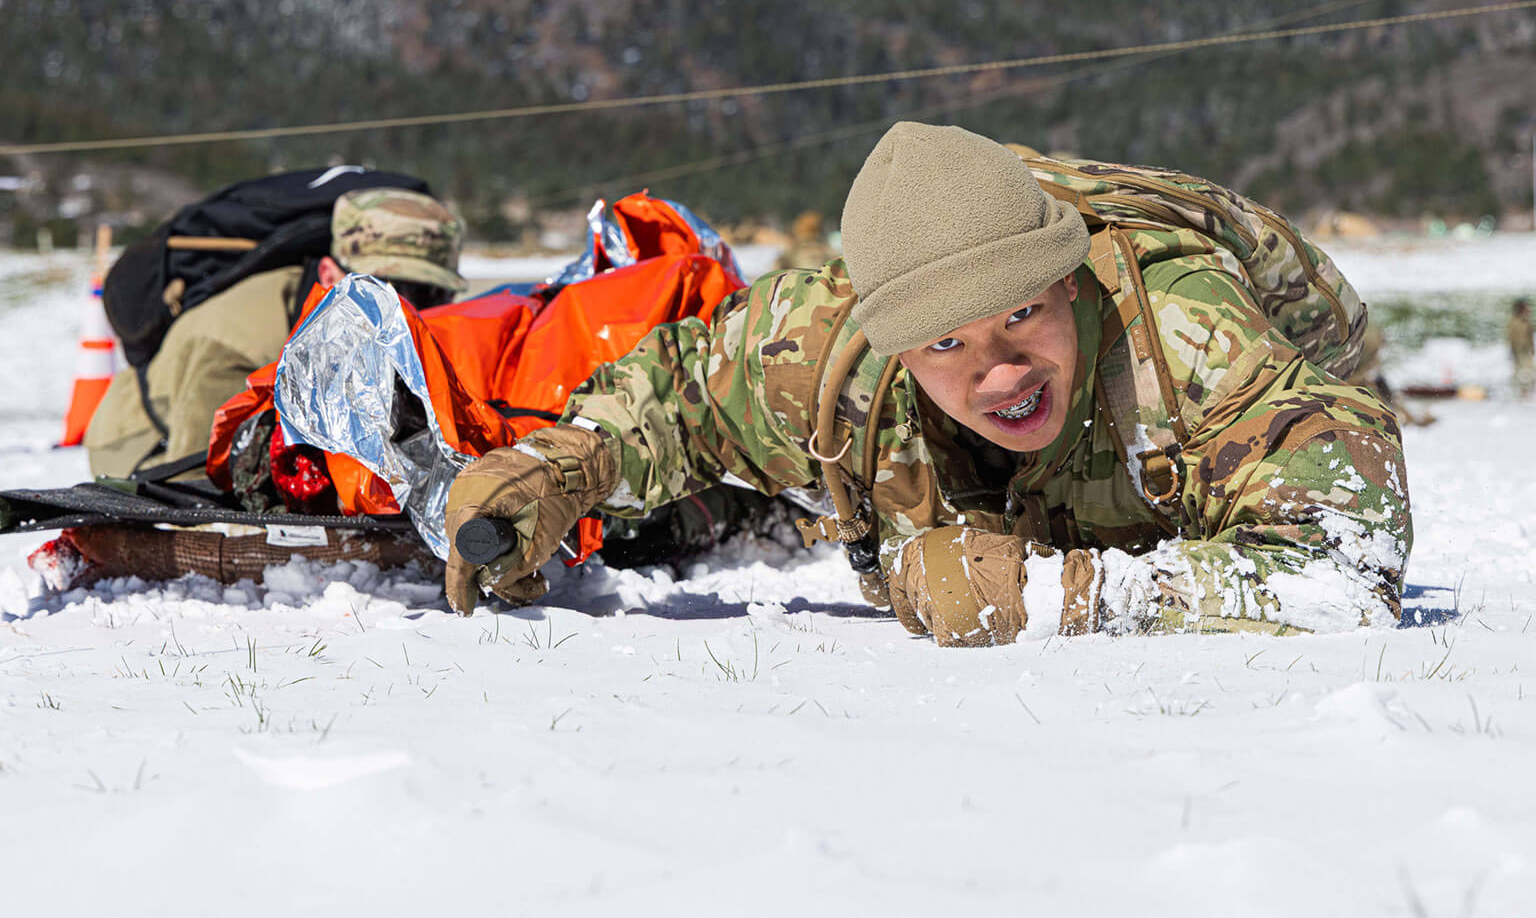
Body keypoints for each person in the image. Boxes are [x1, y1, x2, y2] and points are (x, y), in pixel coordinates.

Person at [444, 122, 1412, 646]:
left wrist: (1064, 592)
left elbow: (1345, 563)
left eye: (1023, 313)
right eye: (947, 339)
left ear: (1070, 281)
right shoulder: (824, 349)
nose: (999, 368)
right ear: (896, 347)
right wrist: (553, 469)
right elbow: (682, 393)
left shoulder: (1184, 332)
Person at [85, 188, 468, 480]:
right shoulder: (242, 340)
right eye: (386, 286)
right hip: (141, 450)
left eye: (431, 293)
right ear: (328, 274)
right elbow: (195, 483)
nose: (407, 307)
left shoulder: (350, 315)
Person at [1508, 298, 1534, 399]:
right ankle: (1522, 393)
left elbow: (1529, 337)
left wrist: (1532, 349)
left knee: (1528, 371)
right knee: (1521, 371)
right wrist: (1512, 349)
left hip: (1526, 350)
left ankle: (1526, 392)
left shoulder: (1527, 322)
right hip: (1518, 350)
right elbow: (1511, 337)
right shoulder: (1514, 322)